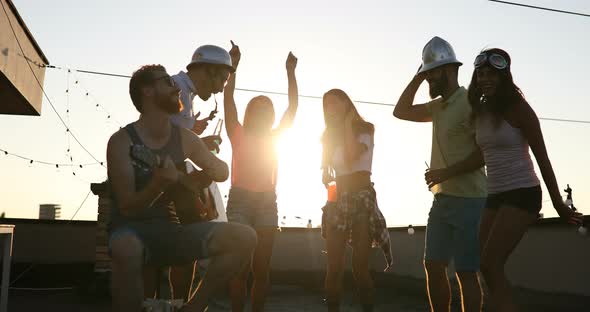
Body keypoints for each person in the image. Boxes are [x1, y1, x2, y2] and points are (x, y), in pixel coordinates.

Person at [107, 64, 257, 312]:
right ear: (147, 91)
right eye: (166, 81)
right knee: (126, 248)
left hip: (171, 232)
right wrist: (157, 184)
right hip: (131, 232)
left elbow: (221, 171)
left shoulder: (184, 138)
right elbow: (127, 207)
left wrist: (200, 175)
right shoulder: (121, 141)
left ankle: (193, 308)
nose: (175, 85)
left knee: (244, 237)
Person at [468, 48, 582, 311]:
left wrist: (558, 204)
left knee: (491, 264)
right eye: (481, 74)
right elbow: (484, 155)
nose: (485, 79)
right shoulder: (480, 110)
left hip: (523, 192)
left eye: (492, 74)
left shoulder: (520, 109)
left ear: (504, 76)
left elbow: (543, 158)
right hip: (495, 194)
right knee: (484, 265)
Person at [393, 36, 487, 312]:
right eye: (426, 75)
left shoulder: (471, 102)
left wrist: (446, 173)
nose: (428, 81)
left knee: (466, 272)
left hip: (471, 200)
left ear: (448, 71)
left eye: (432, 74)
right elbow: (400, 111)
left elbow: (483, 153)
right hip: (443, 201)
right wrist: (419, 75)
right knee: (433, 266)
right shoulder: (437, 107)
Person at [223, 42, 299, 312]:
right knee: (240, 268)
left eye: (268, 109)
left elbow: (292, 108)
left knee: (262, 268)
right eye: (259, 108)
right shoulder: (237, 132)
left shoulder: (275, 136)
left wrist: (290, 72)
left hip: (267, 201)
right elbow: (228, 98)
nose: (264, 111)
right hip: (240, 200)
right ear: (250, 113)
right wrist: (233, 67)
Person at [167, 43, 236, 303]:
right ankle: (183, 305)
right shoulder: (177, 91)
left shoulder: (184, 92)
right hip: (166, 181)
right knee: (186, 249)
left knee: (184, 250)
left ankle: (177, 304)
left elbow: (173, 139)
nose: (221, 88)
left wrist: (198, 140)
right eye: (223, 79)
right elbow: (164, 145)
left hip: (172, 178)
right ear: (209, 71)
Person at [321, 89, 392, 312]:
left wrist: (347, 124)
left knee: (359, 267)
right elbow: (327, 172)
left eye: (334, 104)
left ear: (346, 103)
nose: (330, 110)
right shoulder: (328, 136)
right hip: (338, 200)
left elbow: (352, 158)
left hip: (362, 199)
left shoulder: (365, 130)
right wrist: (326, 171)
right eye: (327, 106)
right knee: (334, 267)